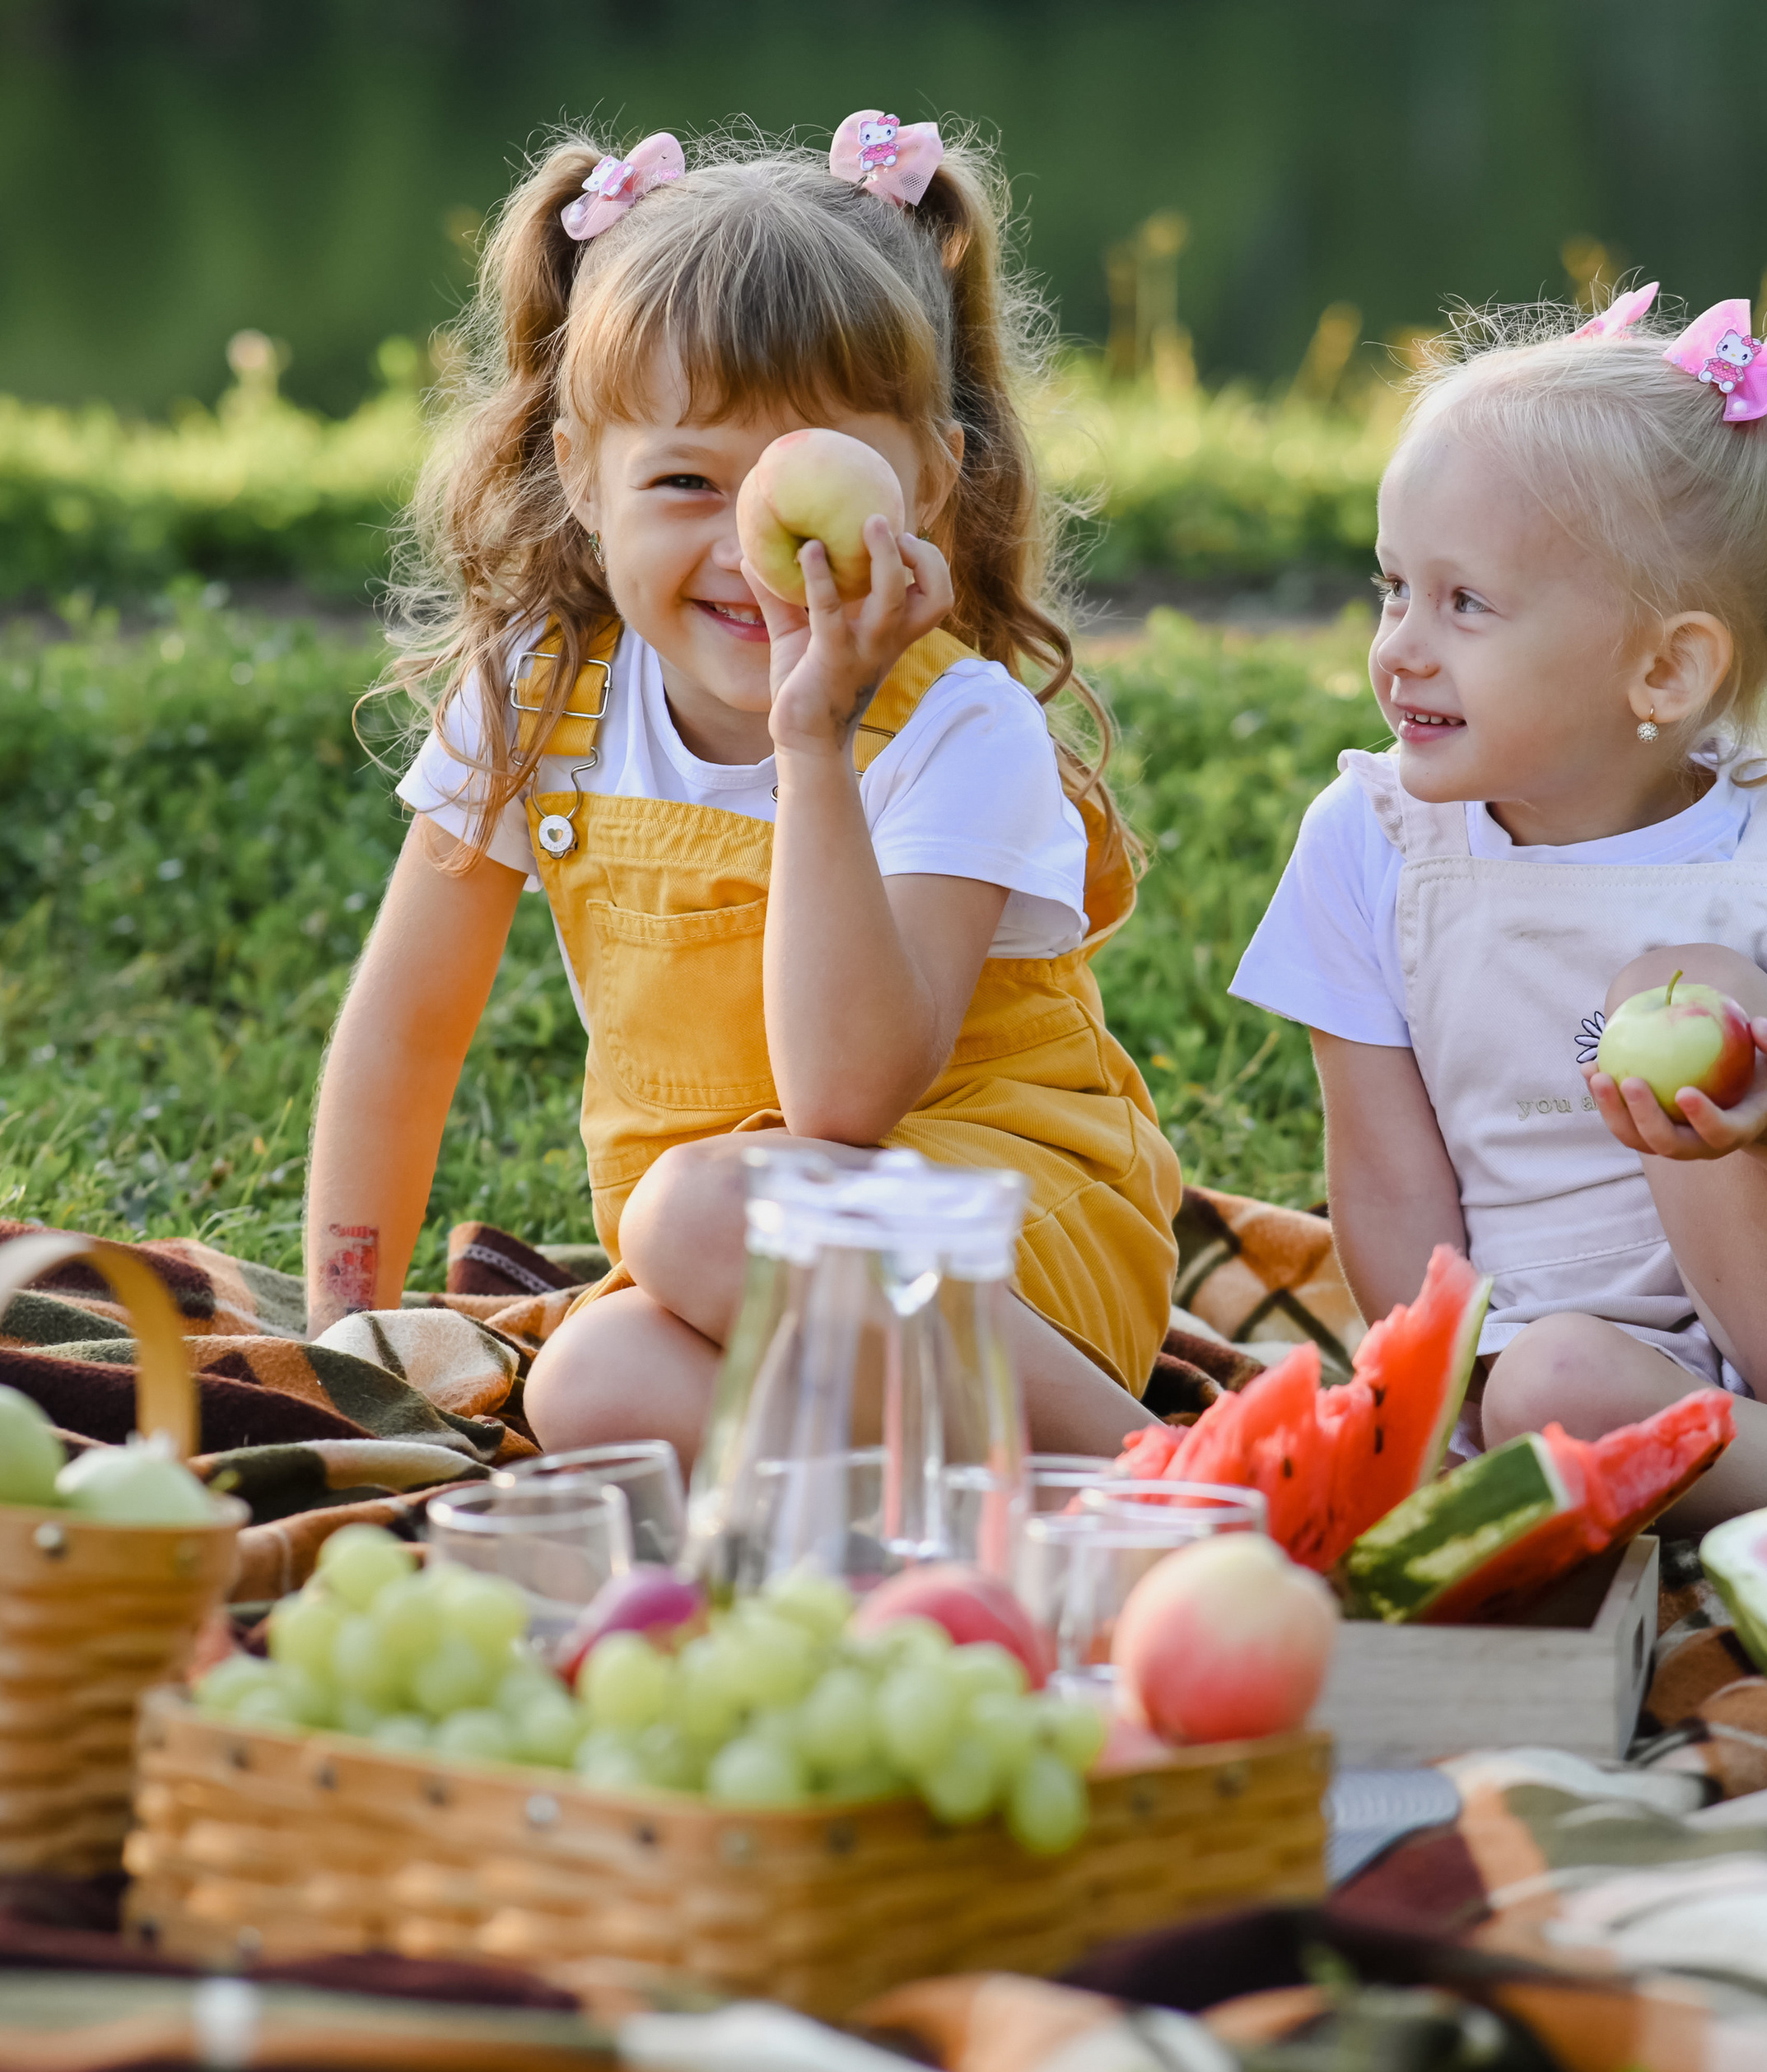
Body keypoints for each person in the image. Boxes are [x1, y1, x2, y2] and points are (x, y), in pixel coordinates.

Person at [304, 116, 1180, 1467]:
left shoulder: (956, 723)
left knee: (686, 1210)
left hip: (1004, 1255)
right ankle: (1003, 1518)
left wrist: (814, 744)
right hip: (744, 1273)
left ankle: (1159, 1471)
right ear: (583, 482)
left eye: (801, 476)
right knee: (589, 1382)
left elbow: (845, 1103)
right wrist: (338, 1330)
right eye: (684, 482)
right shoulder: (540, 694)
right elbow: (406, 1031)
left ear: (933, 475)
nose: (749, 548)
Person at [1231, 284, 1767, 1525]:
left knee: (1675, 995)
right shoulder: (1371, 844)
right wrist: (1434, 1420)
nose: (1400, 646)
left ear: (1665, 668)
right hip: (1587, 1378)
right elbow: (1392, 1191)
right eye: (1396, 586)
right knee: (1545, 1381)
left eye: (1466, 603)